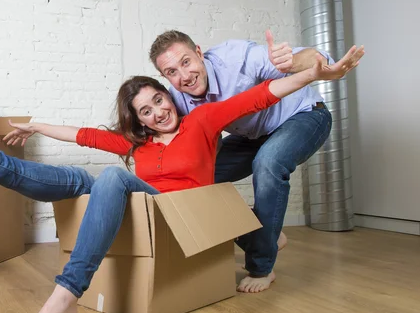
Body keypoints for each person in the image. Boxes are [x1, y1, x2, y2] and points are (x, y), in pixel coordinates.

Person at [0, 48, 361, 313]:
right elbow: (84, 136)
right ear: (137, 120)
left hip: (179, 215)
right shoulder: (137, 145)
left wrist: (313, 75)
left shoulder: (202, 122)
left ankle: (66, 296)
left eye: (159, 100)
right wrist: (35, 126)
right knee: (81, 177)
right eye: (146, 111)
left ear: (167, 95)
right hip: (149, 209)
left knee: (112, 180)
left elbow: (259, 97)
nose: (158, 112)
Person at [149, 30, 365, 293]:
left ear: (198, 52)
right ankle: (262, 235)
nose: (183, 76)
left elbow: (307, 58)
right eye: (171, 71)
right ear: (164, 76)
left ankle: (261, 267)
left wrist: (303, 64)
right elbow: (196, 147)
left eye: (186, 62)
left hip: (303, 116)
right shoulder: (178, 99)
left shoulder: (235, 57)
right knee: (192, 180)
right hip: (254, 135)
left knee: (268, 163)